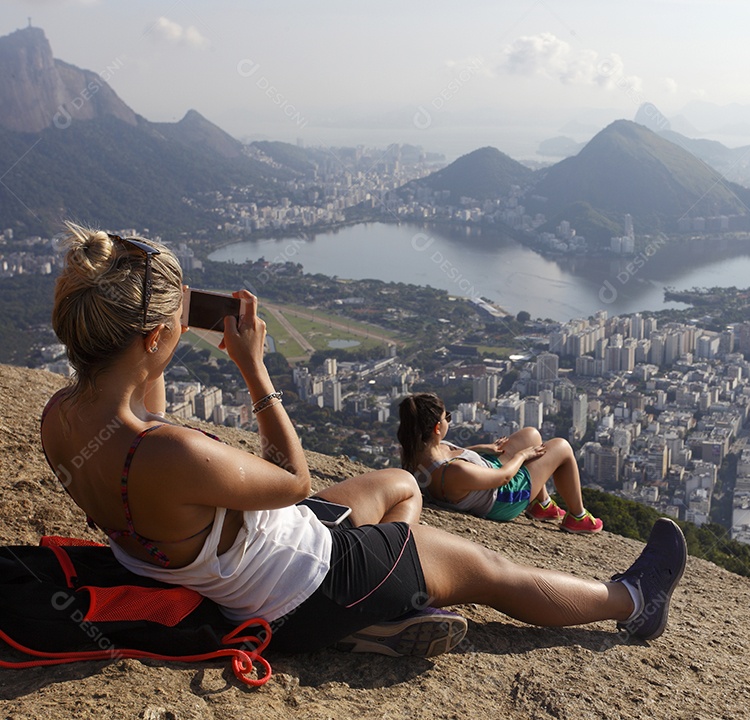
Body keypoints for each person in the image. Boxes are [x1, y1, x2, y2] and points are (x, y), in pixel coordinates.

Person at [39, 223, 687, 659]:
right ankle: (632, 601)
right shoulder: (171, 456)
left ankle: (386, 612)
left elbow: (142, 416)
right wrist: (254, 367)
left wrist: (155, 353)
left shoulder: (60, 420)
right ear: (153, 337)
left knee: (402, 484)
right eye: (173, 326)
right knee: (492, 572)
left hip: (239, 565)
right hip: (304, 586)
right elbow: (291, 481)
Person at [397, 393, 603, 533]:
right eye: (446, 418)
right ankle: (578, 517)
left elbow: (450, 454)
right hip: (504, 497)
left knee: (531, 434)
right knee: (562, 447)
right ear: (436, 428)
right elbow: (503, 477)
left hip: (483, 477)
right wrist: (522, 456)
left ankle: (543, 505)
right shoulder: (453, 471)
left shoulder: (416, 452)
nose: (449, 421)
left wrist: (481, 449)